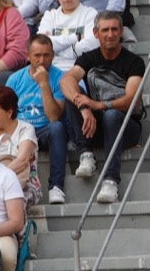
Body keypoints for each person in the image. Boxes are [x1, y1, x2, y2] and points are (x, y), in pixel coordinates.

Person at [60, 11, 143, 204]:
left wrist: (98, 105)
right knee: (74, 98)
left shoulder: (134, 62)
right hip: (95, 127)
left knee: (111, 116)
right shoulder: (88, 58)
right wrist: (84, 107)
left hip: (126, 127)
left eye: (115, 29)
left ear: (121, 31)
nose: (110, 34)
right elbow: (66, 80)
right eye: (105, 30)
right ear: (96, 33)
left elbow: (131, 99)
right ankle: (86, 154)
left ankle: (111, 181)